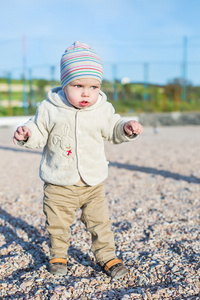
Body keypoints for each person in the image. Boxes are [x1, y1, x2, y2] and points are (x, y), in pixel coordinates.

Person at [13, 41, 143, 279]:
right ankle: (58, 255)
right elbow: (38, 130)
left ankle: (106, 256)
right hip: (59, 183)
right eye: (78, 85)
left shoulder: (102, 108)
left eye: (94, 87)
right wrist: (27, 133)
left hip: (93, 183)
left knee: (100, 223)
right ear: (64, 84)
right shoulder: (50, 108)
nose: (86, 93)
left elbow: (113, 127)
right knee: (58, 223)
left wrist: (126, 127)